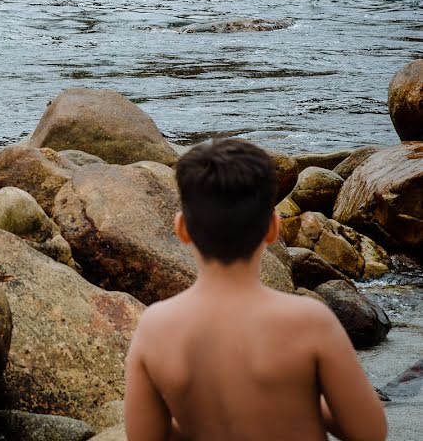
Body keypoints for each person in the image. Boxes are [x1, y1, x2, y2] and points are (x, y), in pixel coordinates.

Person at [123, 139, 387, 441]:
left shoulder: (156, 327)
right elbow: (370, 431)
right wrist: (306, 402)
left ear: (182, 229)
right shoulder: (310, 321)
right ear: (273, 228)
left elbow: (144, 436)